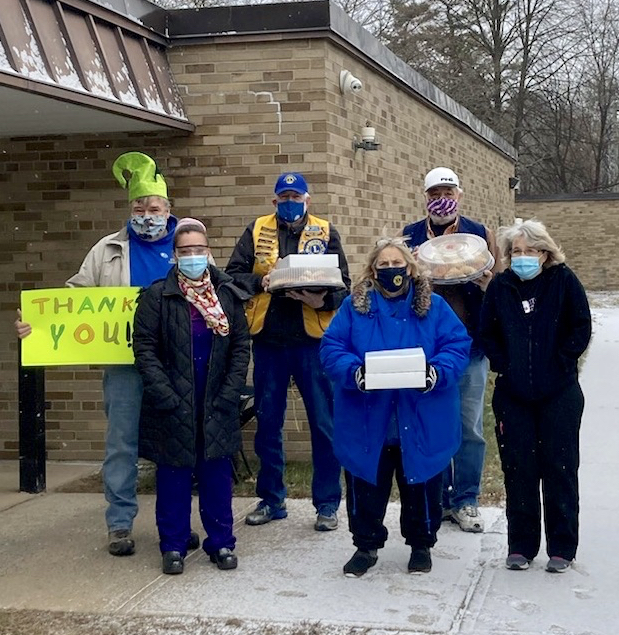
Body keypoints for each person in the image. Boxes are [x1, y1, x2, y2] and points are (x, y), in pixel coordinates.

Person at [15, 152, 179, 557]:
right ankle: (120, 524)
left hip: (176, 364)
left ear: (168, 209)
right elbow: (73, 300)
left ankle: (172, 525)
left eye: (153, 207)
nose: (146, 214)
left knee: (177, 445)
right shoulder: (106, 249)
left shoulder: (188, 246)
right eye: (138, 207)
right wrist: (36, 324)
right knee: (121, 444)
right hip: (123, 363)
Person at [319, 238, 471, 576]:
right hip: (368, 417)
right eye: (383, 266)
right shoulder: (354, 308)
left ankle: (421, 544)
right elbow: (332, 347)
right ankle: (366, 545)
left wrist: (437, 373)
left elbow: (457, 345)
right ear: (373, 271)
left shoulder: (435, 307)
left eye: (397, 264)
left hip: (419, 415)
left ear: (411, 268)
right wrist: (354, 373)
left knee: (422, 486)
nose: (392, 271)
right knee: (366, 486)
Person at [225, 172, 350, 532]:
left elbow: (345, 285)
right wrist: (260, 281)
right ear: (274, 200)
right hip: (268, 341)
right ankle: (271, 499)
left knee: (324, 424)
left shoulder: (326, 232)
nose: (290, 202)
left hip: (313, 342)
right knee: (268, 424)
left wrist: (321, 298)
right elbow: (232, 275)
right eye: (284, 197)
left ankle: (327, 504)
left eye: (297, 196)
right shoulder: (256, 230)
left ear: (308, 200)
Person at [133, 218, 251, 574]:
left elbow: (240, 346)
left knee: (216, 476)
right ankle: (173, 544)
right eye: (186, 251)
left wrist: (230, 391)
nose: (193, 256)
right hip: (172, 403)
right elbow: (145, 348)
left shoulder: (227, 295)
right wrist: (165, 395)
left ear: (209, 252)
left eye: (199, 250)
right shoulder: (157, 296)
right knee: (174, 476)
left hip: (216, 400)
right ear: (175, 255)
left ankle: (221, 543)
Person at [479, 220, 592, 574]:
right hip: (513, 395)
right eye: (516, 252)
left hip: (559, 393)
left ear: (545, 253)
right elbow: (487, 333)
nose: (523, 257)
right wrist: (504, 365)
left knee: (559, 469)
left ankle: (562, 547)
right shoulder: (501, 286)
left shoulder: (563, 281)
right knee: (520, 471)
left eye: (531, 251)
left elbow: (581, 326)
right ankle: (521, 546)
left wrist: (561, 361)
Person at [402, 167, 501, 534]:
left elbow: (501, 291)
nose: (440, 198)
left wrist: (487, 281)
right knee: (432, 424)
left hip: (471, 346)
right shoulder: (410, 236)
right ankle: (438, 498)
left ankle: (466, 499)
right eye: (433, 193)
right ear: (424, 197)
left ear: (460, 194)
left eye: (447, 191)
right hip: (426, 348)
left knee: (469, 427)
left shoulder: (478, 235)